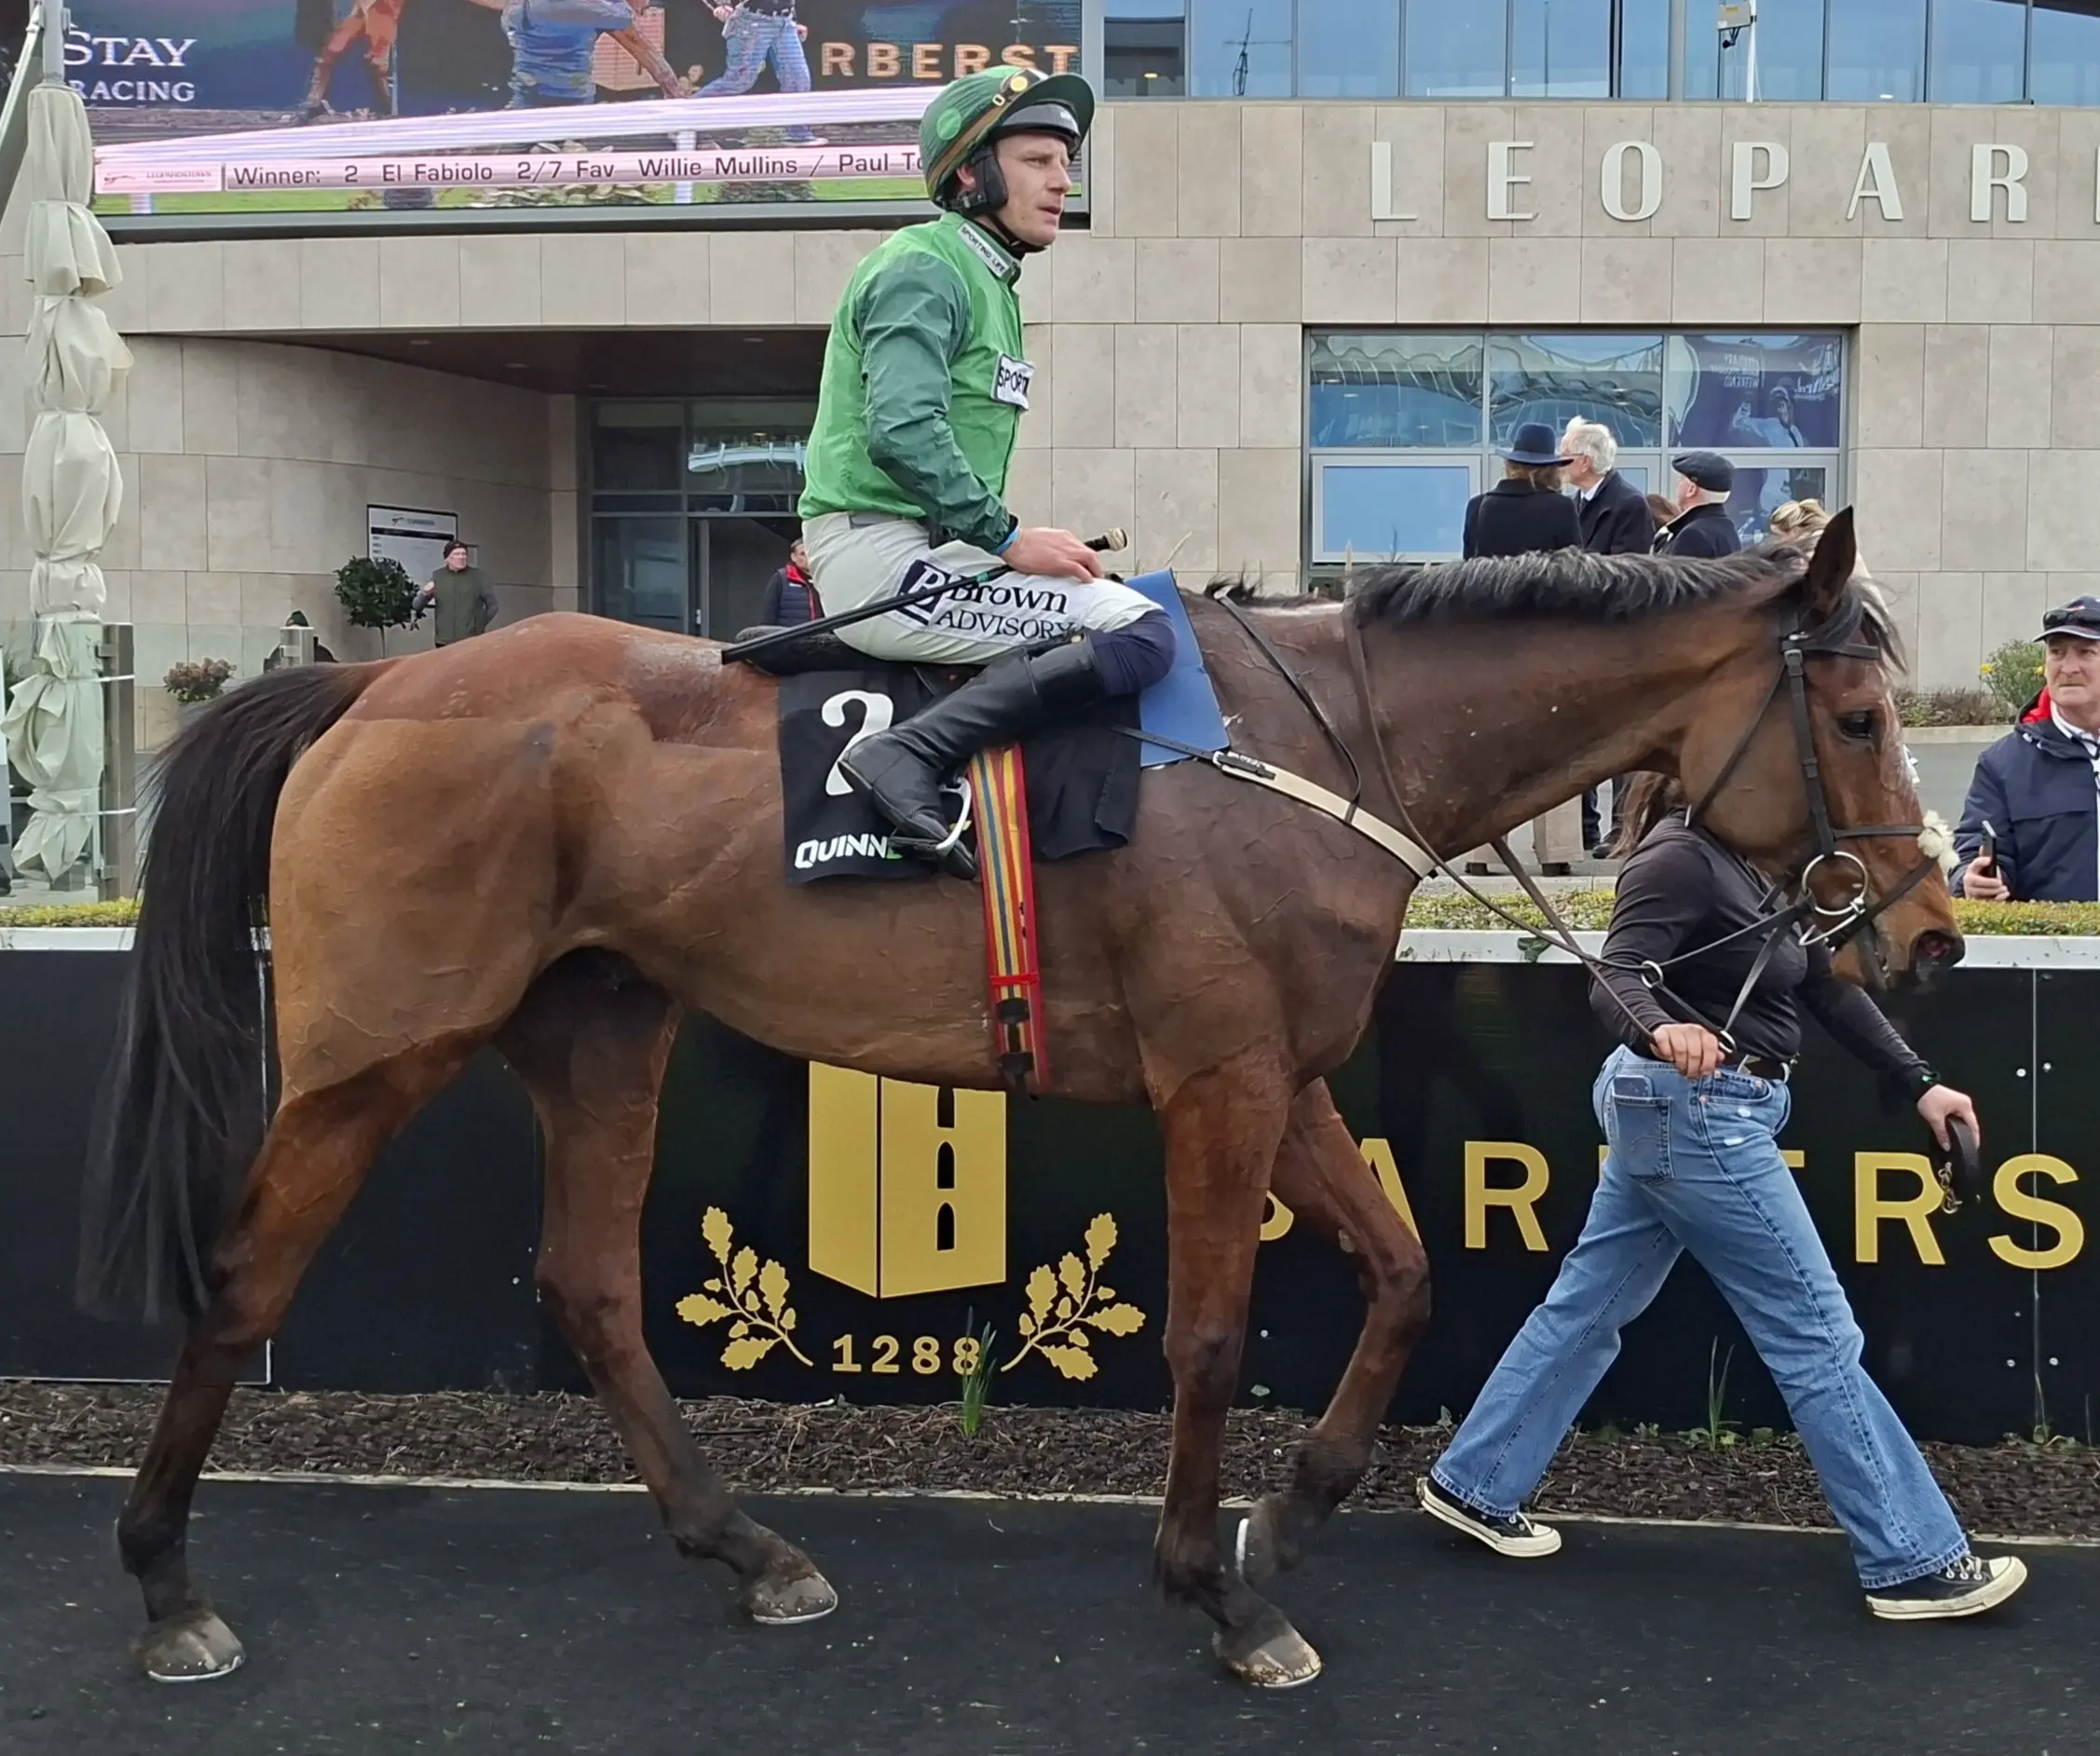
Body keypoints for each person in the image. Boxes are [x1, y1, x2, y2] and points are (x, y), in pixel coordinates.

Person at [1418, 773, 2027, 1624]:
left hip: (1689, 1109)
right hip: (1697, 1109)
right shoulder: (1681, 858)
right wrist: (1660, 1025)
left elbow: (1824, 985)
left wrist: (1918, 1081)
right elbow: (1615, 974)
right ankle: (1912, 1560)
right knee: (1816, 1332)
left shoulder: (1758, 861)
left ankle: (1475, 1480)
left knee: (1590, 1305)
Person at [796, 67, 1176, 881]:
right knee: (1140, 634)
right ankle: (903, 754)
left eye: (1065, 163)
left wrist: (1011, 543)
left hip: (927, 549)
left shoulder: (988, 279)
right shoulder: (924, 267)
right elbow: (902, 431)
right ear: (971, 174)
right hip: (879, 557)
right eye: (1038, 160)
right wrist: (1008, 538)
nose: (1062, 181)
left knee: (1114, 596)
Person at [1954, 595, 2100, 904]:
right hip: (2050, 936)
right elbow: (1975, 848)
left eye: (2086, 652)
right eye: (2057, 653)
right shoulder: (2002, 765)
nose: (2068, 668)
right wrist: (1974, 878)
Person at [1561, 418, 1651, 856]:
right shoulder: (1574, 503)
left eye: (1564, 455)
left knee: (1620, 737)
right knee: (1579, 738)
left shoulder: (1628, 504)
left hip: (1615, 639)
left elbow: (1628, 574)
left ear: (1584, 461)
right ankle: (1586, 829)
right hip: (1578, 637)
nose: (1559, 464)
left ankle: (1622, 828)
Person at [498, 0, 687, 107]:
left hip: (532, 98)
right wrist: (676, 95)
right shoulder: (606, 11)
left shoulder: (518, 8)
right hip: (568, 102)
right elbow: (643, 49)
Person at [1460, 424, 1581, 560]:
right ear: (1551, 468)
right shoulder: (1562, 507)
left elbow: (1469, 566)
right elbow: (1573, 567)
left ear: (1510, 464)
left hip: (1492, 574)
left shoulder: (1476, 506)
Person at [1653, 452, 1741, 559]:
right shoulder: (1727, 527)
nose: (1677, 483)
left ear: (1691, 489)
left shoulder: (1693, 536)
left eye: (1681, 479)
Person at [414, 540, 498, 647]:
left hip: (471, 639)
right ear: (447, 558)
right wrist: (425, 594)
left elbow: (493, 606)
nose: (461, 557)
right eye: (457, 554)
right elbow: (417, 606)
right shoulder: (438, 576)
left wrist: (478, 626)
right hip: (443, 640)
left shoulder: (478, 577)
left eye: (464, 554)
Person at [760, 538, 821, 624]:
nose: (807, 558)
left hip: (816, 631)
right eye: (802, 554)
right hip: (789, 631)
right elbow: (769, 613)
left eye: (810, 554)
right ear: (793, 557)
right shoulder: (781, 578)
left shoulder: (820, 578)